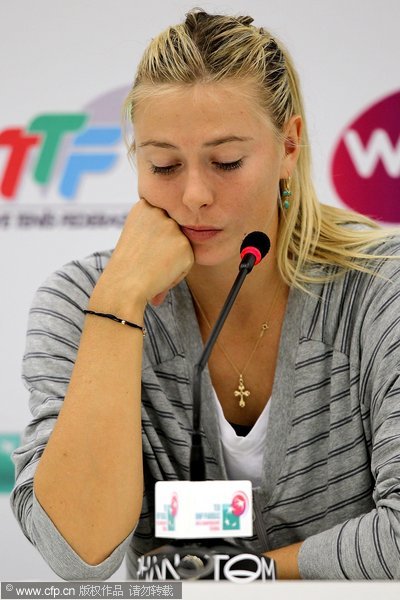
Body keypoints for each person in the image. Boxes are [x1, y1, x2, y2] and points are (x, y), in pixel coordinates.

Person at [11, 9, 400, 580]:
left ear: (288, 146)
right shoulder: (79, 303)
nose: (194, 194)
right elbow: (78, 557)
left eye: (227, 162)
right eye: (164, 164)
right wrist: (118, 302)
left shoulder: (378, 291)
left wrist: (248, 576)